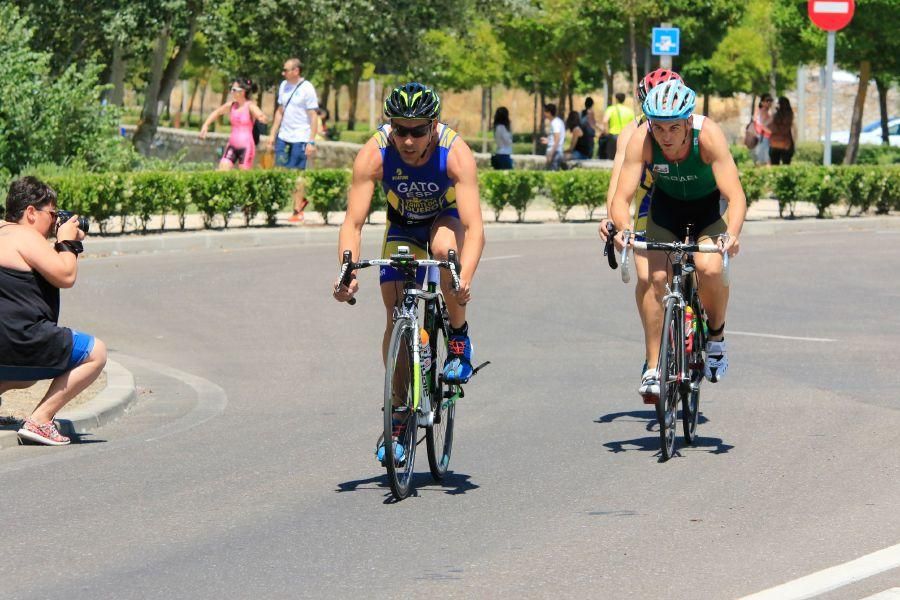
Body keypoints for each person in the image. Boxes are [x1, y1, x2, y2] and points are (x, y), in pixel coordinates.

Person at [332, 82, 485, 464]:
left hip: (444, 218)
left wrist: (463, 278)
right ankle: (399, 413)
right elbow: (353, 222)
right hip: (402, 223)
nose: (408, 139)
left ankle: (458, 338)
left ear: (434, 126)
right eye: (400, 129)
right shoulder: (374, 154)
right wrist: (348, 270)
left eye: (418, 130)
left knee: (443, 252)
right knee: (395, 306)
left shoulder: (456, 154)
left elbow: (476, 227)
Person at [603, 80, 746, 401]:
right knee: (655, 278)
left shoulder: (707, 136)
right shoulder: (644, 139)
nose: (665, 137)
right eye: (659, 128)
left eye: (673, 128)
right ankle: (653, 367)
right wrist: (624, 229)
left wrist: (732, 234)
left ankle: (717, 338)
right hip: (665, 209)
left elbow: (735, 196)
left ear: (687, 123)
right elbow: (621, 196)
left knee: (709, 268)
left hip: (706, 209)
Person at [0, 177, 107, 446]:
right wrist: (68, 243)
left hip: (4, 340)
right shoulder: (24, 235)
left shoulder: (4, 231)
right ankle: (41, 421)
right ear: (31, 213)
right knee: (96, 352)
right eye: (52, 213)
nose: (54, 221)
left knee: (28, 376)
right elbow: (65, 275)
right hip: (19, 339)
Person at [600, 69, 683, 378]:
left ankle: (694, 310)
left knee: (697, 261)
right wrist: (611, 218)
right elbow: (619, 181)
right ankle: (655, 346)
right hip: (653, 200)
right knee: (649, 278)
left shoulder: (691, 128)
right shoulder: (633, 133)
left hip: (689, 198)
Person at [266, 58, 319, 223]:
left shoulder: (307, 88)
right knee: (281, 171)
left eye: (286, 70)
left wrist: (311, 141)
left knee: (297, 174)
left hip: (300, 138)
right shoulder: (283, 86)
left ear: (296, 71)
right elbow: (279, 112)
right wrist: (272, 135)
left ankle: (297, 210)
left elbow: (313, 116)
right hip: (283, 136)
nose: (283, 73)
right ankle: (280, 206)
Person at [200, 78, 267, 171]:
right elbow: (217, 112)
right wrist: (206, 125)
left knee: (243, 177)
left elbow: (261, 116)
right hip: (232, 145)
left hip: (246, 147)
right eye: (231, 89)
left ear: (243, 92)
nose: (232, 92)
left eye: (234, 90)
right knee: (222, 170)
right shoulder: (231, 106)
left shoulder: (250, 106)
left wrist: (261, 118)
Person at [601, 92, 636, 159]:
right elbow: (633, 124)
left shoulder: (611, 109)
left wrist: (606, 132)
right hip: (625, 136)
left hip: (613, 136)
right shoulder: (629, 111)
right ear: (624, 99)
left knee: (611, 157)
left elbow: (605, 121)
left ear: (616, 99)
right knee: (622, 157)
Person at [769, 96, 796, 165]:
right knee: (786, 165)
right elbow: (792, 129)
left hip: (775, 143)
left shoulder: (775, 116)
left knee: (774, 165)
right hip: (786, 142)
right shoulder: (789, 115)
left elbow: (770, 127)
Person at [540, 103, 565, 170]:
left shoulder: (555, 123)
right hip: (556, 151)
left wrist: (551, 153)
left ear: (549, 113)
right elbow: (555, 139)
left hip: (555, 153)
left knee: (552, 174)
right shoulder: (558, 122)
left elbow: (557, 139)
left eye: (545, 111)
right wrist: (548, 140)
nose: (544, 113)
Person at [753, 93, 774, 166]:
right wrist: (771, 132)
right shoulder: (761, 111)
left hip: (765, 138)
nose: (770, 102)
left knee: (764, 162)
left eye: (771, 100)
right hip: (763, 138)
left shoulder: (766, 112)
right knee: (766, 162)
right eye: (767, 100)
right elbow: (760, 126)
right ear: (762, 102)